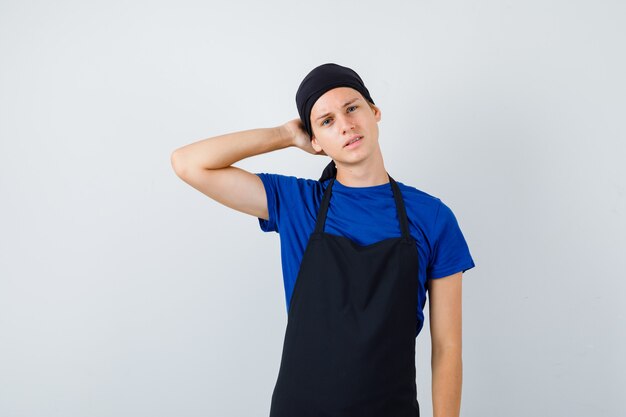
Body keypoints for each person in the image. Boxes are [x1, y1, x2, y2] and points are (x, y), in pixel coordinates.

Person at [171, 63, 475, 417]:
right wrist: (284, 134)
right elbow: (188, 164)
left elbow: (448, 346)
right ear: (314, 140)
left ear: (374, 112)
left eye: (352, 108)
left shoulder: (433, 218)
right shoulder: (297, 204)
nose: (346, 125)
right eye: (326, 121)